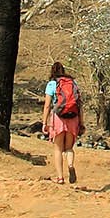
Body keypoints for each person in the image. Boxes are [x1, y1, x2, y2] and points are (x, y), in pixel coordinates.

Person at [41, 59, 82, 187]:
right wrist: (81, 122)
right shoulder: (73, 83)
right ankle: (70, 164)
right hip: (73, 118)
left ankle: (60, 178)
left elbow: (47, 106)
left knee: (58, 149)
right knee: (69, 148)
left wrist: (44, 123)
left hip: (58, 118)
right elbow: (79, 105)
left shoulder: (52, 84)